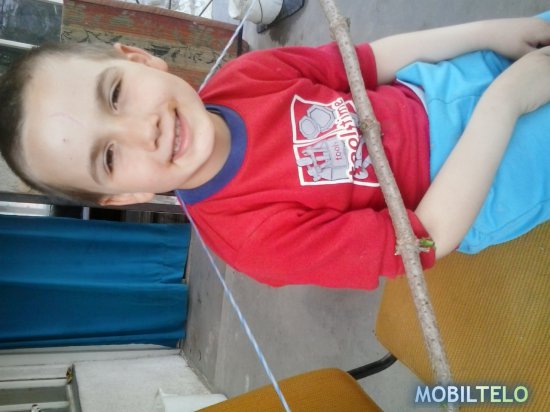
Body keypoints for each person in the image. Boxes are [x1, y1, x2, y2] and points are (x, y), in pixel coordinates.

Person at [1, 14, 550, 290]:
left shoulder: (246, 76)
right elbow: (425, 240)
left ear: (140, 59)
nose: (144, 130)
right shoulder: (252, 242)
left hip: (435, 86)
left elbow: (370, 61)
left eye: (116, 94)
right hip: (485, 182)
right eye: (108, 157)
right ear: (124, 198)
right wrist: (502, 106)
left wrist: (496, 32)